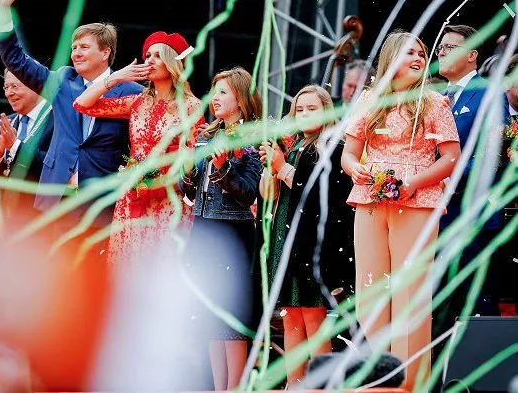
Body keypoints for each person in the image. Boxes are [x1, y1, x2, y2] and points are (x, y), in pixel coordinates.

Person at [340, 30, 461, 389]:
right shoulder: (368, 99)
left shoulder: (434, 101)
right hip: (370, 197)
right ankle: (374, 378)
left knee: (410, 292)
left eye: (422, 52)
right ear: (391, 58)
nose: (418, 57)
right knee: (371, 288)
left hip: (418, 199)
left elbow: (451, 157)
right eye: (409, 51)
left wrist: (414, 182)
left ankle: (409, 382)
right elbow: (348, 154)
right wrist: (355, 168)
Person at [0, 0, 144, 254]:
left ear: (106, 52)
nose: (76, 53)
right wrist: (2, 13)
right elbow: (16, 60)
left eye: (84, 47)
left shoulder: (132, 91)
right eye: (74, 47)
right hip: (56, 198)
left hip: (99, 203)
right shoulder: (63, 80)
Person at [73, 31, 204, 266]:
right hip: (132, 198)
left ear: (173, 62)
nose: (149, 61)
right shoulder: (137, 101)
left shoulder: (191, 106)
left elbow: (194, 161)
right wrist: (115, 78)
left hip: (168, 199)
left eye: (157, 56)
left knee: (160, 271)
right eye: (147, 56)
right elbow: (82, 104)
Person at [258, 85, 354, 386]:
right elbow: (270, 197)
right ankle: (294, 383)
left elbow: (321, 196)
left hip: (312, 244)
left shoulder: (333, 146)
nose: (304, 114)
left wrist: (283, 168)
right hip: (286, 237)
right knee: (290, 318)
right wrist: (271, 169)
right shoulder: (298, 146)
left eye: (312, 109)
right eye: (299, 109)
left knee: (314, 318)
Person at [178, 67, 262, 391]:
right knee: (210, 316)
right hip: (204, 230)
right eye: (214, 92)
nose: (215, 99)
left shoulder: (252, 138)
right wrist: (187, 170)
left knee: (232, 318)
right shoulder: (205, 136)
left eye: (223, 92)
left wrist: (222, 167)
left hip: (232, 233)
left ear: (240, 98)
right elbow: (189, 193)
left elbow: (247, 194)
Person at [434, 24, 509, 344]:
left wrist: (445, 175)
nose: (441, 54)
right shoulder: (436, 97)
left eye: (450, 48)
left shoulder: (488, 93)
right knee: (438, 306)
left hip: (470, 215)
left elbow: (491, 158)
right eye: (441, 49)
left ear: (472, 55)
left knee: (473, 304)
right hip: (433, 216)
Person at [0, 68, 54, 227]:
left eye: (15, 86)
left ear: (36, 84)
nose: (9, 93)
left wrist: (16, 146)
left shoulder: (57, 120)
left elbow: (55, 166)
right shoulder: (5, 123)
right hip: (2, 220)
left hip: (40, 222)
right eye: (6, 88)